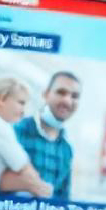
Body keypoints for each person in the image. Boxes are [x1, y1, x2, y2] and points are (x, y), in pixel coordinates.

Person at [9, 70, 80, 198]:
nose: (68, 101)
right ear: (46, 94)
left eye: (74, 96)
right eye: (61, 92)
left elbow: (62, 199)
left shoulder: (66, 149)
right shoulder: (15, 130)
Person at [0, 76, 52, 197]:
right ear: (2, 99)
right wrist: (43, 189)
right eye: (21, 103)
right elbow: (25, 168)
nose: (24, 111)